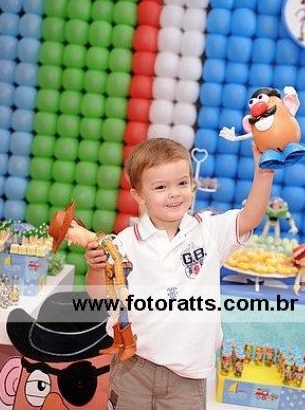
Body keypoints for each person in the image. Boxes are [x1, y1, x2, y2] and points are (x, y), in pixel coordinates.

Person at [85, 137, 276, 409]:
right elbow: (98, 296)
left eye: (182, 183)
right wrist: (95, 268)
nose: (174, 193)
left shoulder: (208, 231)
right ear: (138, 195)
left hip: (187, 377)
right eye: (160, 187)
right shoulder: (124, 243)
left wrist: (263, 172)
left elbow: (250, 217)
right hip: (133, 368)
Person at [48, 201, 136, 361]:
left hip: (124, 284)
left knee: (123, 315)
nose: (70, 242)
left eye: (67, 236)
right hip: (114, 290)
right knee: (116, 315)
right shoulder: (94, 250)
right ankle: (118, 343)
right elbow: (99, 290)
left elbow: (119, 261)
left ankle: (128, 344)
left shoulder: (105, 242)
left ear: (73, 225)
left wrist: (122, 286)